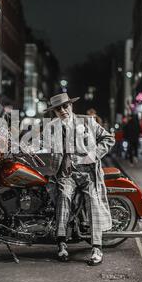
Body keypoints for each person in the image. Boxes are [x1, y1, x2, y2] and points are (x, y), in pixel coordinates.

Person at [44, 93, 115, 266]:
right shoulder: (50, 128)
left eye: (64, 106)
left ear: (71, 106)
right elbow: (41, 146)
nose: (62, 110)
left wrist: (93, 154)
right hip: (66, 175)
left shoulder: (87, 122)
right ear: (54, 112)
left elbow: (109, 138)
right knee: (63, 197)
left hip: (88, 173)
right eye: (57, 109)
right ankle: (61, 243)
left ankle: (97, 247)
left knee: (93, 200)